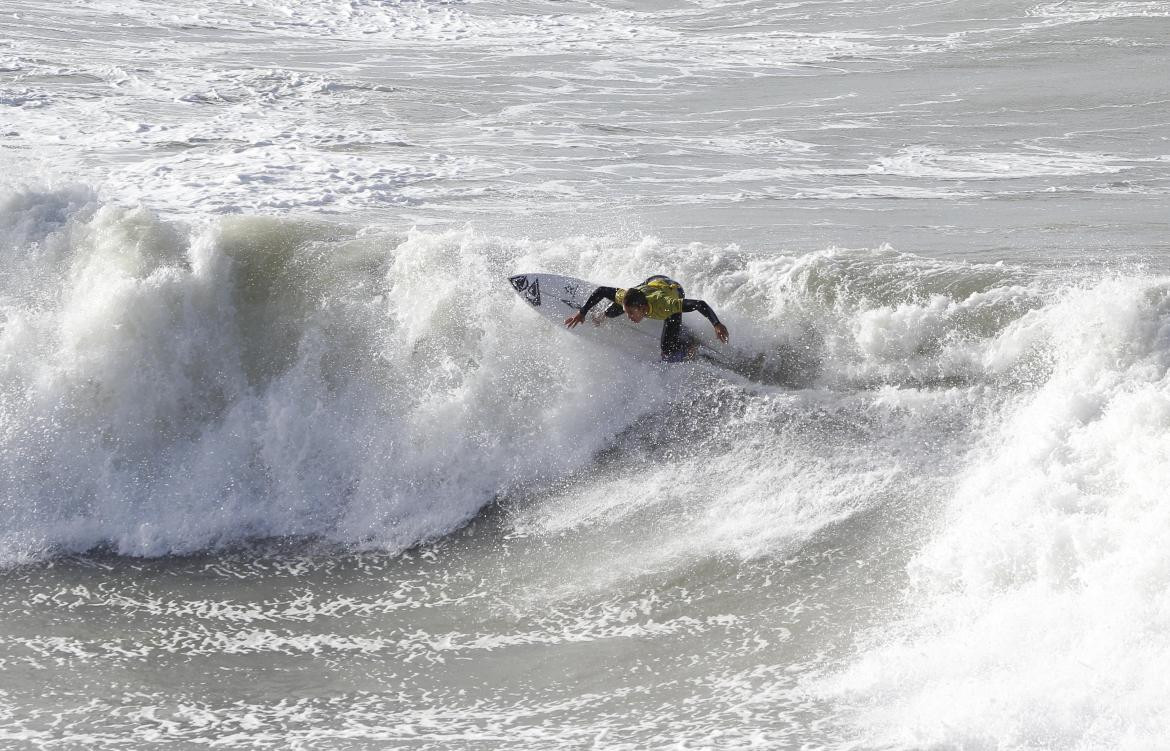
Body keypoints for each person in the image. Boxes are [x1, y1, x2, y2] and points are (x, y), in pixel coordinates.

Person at [564, 275, 729, 362]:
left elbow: (700, 304)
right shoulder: (626, 297)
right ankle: (603, 315)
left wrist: (717, 324)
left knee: (668, 349)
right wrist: (582, 312)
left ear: (643, 309)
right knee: (615, 309)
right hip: (652, 281)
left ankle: (690, 346)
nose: (629, 317)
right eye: (627, 313)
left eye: (632, 314)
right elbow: (601, 291)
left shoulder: (666, 305)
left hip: (673, 289)